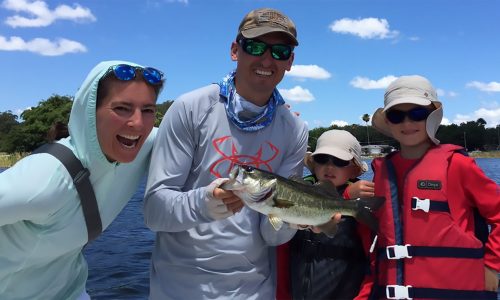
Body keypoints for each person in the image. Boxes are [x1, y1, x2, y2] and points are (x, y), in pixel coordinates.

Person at [143, 7, 309, 299]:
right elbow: (154, 211)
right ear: (235, 50)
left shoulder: (294, 129)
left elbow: (271, 235)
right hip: (179, 289)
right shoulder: (190, 108)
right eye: (256, 46)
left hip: (256, 290)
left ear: (290, 62)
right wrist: (205, 203)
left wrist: (295, 218)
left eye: (280, 51)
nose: (267, 59)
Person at [0, 60, 165, 299]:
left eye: (148, 110)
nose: (138, 123)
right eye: (122, 108)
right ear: (90, 113)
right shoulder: (44, 179)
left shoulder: (141, 145)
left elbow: (197, 134)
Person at [355, 75, 500, 299]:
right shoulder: (383, 172)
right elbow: (378, 238)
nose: (407, 123)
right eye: (396, 115)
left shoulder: (458, 165)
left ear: (431, 116)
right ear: (390, 122)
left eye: (417, 114)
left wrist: (492, 265)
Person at [276, 129, 375, 300]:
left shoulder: (361, 207)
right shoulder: (294, 198)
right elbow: (282, 253)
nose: (329, 167)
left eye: (339, 161)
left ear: (354, 170)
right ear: (313, 165)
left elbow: (375, 261)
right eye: (322, 159)